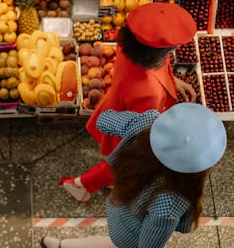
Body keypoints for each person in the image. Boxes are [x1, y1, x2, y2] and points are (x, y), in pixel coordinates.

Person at [61, 2, 198, 203]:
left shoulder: (129, 45)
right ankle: (80, 184)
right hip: (130, 126)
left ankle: (84, 183)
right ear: (161, 52)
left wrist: (172, 80)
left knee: (119, 158)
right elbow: (142, 134)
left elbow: (155, 68)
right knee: (126, 161)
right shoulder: (148, 93)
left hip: (116, 105)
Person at [41, 103, 227, 248]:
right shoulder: (172, 202)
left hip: (117, 203)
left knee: (112, 242)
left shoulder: (148, 122)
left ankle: (60, 245)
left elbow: (103, 120)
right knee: (118, 243)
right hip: (130, 232)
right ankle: (60, 245)